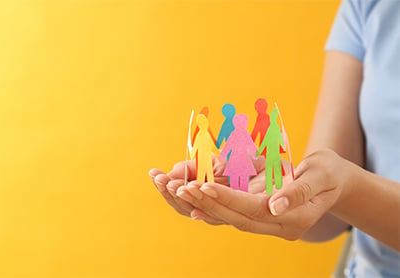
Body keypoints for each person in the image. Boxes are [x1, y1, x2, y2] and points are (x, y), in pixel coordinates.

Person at [149, 0, 400, 276]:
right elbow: (323, 217)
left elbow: (335, 181)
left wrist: (348, 186)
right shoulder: (365, 6)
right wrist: (296, 194)